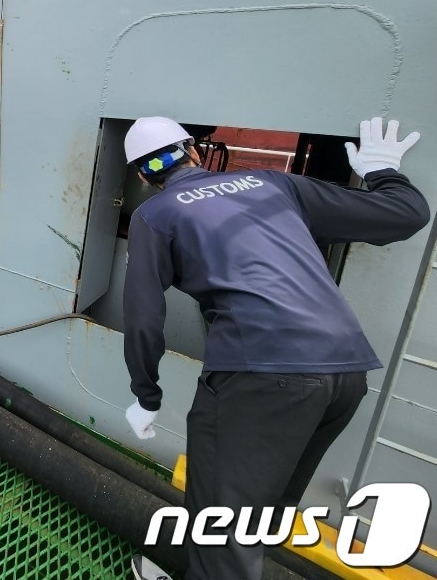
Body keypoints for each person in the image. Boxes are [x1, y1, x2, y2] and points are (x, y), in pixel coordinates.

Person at [121, 115, 430, 580]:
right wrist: (383, 170)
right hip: (345, 375)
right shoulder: (272, 183)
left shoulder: (156, 215)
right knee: (266, 511)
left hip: (260, 378)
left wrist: (147, 396)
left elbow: (143, 318)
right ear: (197, 153)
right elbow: (406, 214)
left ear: (143, 176)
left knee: (222, 526)